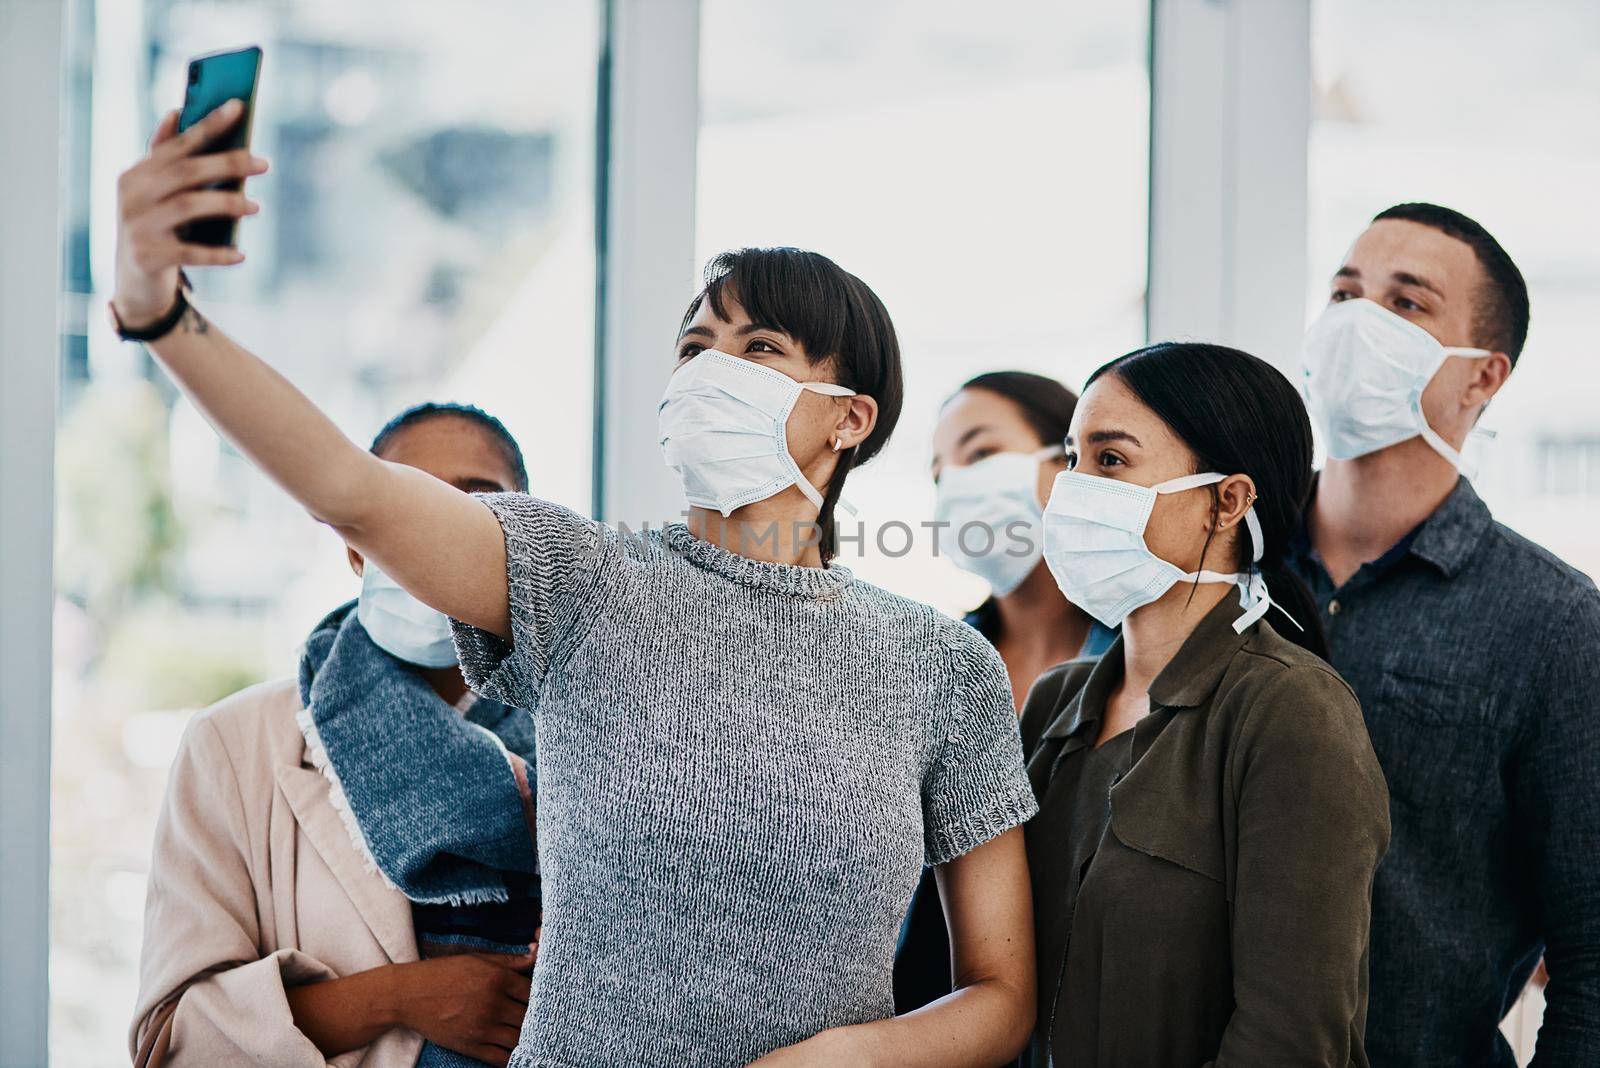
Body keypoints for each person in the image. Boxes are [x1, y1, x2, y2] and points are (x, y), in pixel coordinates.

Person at [112, 101, 1039, 1068]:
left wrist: (846, 1059)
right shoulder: (583, 582)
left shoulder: (942, 667)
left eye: (759, 348)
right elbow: (349, 486)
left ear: (849, 420)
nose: (711, 369)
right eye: (695, 346)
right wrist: (159, 312)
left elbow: (1001, 990)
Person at [131, 402, 542, 1068]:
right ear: (355, 545)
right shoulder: (233, 747)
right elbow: (173, 1040)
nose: (436, 529)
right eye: (403, 503)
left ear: (529, 539)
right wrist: (398, 999)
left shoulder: (600, 737)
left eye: (474, 505)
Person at [1021, 341, 1391, 1066]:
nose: (1071, 490)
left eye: (1111, 460)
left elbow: (1290, 1039)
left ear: (1228, 501)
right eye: (1073, 459)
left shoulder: (1290, 712)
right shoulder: (1054, 703)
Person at [1292, 202, 1600, 1066]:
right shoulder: (1219, 560)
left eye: (1406, 303)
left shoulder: (1553, 622)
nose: (1357, 322)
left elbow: (1593, 954)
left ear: (1483, 376)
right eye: (1344, 293)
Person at [897, 371, 1115, 1014]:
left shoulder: (1143, 658)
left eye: (982, 453)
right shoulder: (930, 666)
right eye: (941, 474)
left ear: (1070, 462)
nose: (957, 486)